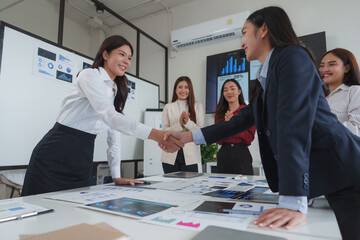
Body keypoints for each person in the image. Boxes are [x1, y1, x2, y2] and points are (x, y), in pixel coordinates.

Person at [161, 6, 360, 240]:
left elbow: (293, 124)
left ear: (263, 29)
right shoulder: (267, 77)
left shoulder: (293, 56)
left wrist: (292, 200)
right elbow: (239, 122)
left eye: (245, 32)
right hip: (329, 178)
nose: (242, 41)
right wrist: (188, 137)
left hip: (347, 172)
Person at [21, 35, 182, 196]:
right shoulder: (89, 75)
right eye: (121, 54)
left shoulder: (115, 90)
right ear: (105, 55)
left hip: (82, 159)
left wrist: (117, 176)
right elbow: (109, 116)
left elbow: (114, 135)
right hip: (54, 154)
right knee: (40, 211)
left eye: (129, 58)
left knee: (73, 215)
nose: (126, 61)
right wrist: (155, 134)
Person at [161, 76, 204, 173]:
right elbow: (164, 131)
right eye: (180, 87)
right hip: (170, 155)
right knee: (171, 186)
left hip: (190, 155)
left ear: (190, 90)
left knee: (189, 186)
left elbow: (200, 131)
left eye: (186, 87)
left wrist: (187, 123)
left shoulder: (197, 106)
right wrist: (179, 124)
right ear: (175, 90)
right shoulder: (168, 107)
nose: (183, 90)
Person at [214, 79, 256, 174]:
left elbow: (249, 138)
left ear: (239, 91)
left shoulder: (248, 111)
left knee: (244, 187)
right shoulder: (220, 113)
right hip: (224, 153)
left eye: (232, 89)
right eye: (225, 90)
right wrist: (226, 126)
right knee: (222, 187)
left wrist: (233, 125)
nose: (229, 92)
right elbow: (218, 140)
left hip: (241, 153)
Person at [319, 48, 360, 136]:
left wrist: (321, 131)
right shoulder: (318, 96)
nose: (325, 69)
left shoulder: (355, 91)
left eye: (331, 64)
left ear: (347, 68)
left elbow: (356, 129)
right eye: (322, 65)